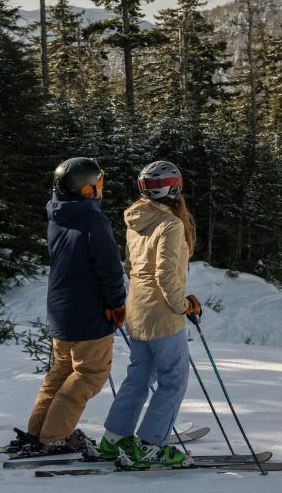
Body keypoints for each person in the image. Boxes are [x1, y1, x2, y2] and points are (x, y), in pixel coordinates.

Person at [10, 157, 126, 456]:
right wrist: (116, 303)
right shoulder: (91, 219)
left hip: (61, 309)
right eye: (98, 183)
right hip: (87, 311)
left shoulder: (59, 214)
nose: (102, 188)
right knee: (89, 373)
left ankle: (38, 432)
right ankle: (56, 436)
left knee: (61, 372)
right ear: (85, 189)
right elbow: (109, 267)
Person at [99, 160, 202, 469]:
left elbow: (134, 268)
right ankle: (150, 445)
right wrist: (184, 306)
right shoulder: (170, 224)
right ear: (175, 187)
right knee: (174, 380)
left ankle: (114, 438)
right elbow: (166, 277)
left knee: (139, 376)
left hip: (138, 310)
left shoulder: (136, 218)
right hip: (162, 314)